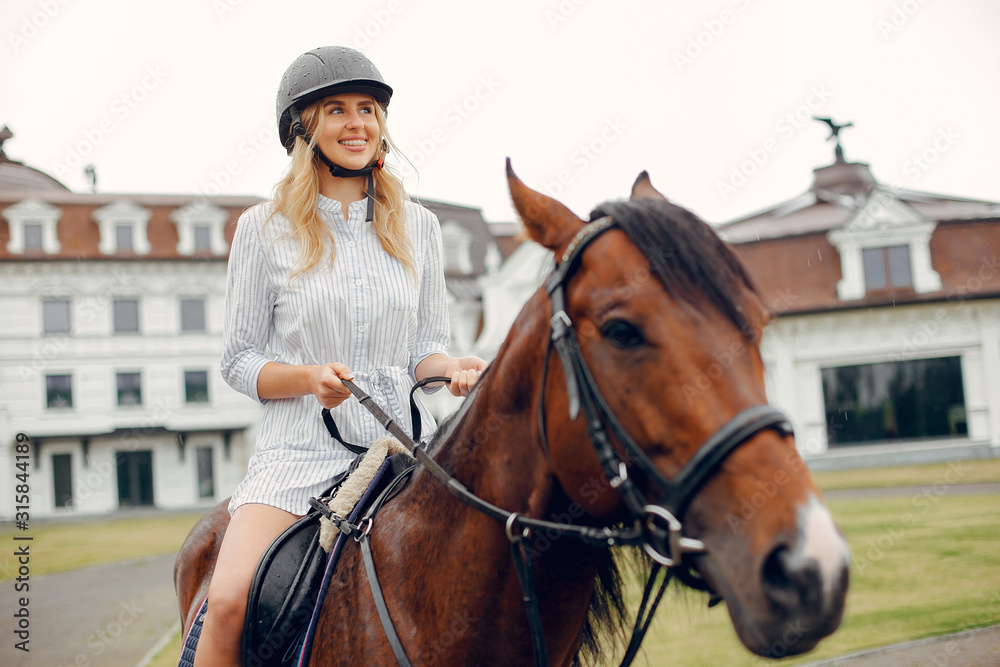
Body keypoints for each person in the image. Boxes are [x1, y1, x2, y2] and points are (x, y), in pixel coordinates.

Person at [194, 46, 488, 666]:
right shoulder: (261, 228)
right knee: (225, 603)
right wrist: (307, 378)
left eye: (368, 110)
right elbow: (240, 362)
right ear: (303, 128)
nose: (358, 123)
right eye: (337, 110)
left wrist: (451, 368)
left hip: (403, 452)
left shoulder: (422, 227)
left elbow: (422, 351)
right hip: (296, 456)